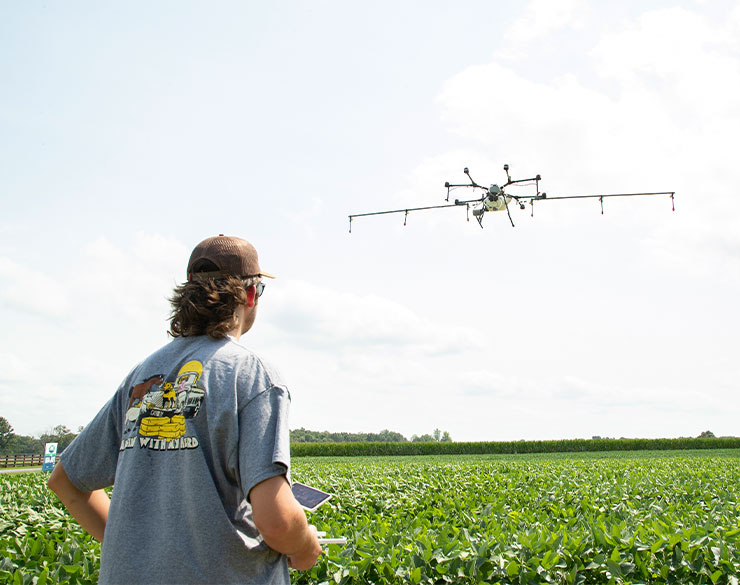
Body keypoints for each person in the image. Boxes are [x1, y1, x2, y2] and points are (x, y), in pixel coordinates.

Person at [48, 234, 322, 584]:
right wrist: (304, 546)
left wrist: (141, 555)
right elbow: (277, 521)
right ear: (252, 295)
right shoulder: (253, 375)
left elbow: (66, 482)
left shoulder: (143, 375)